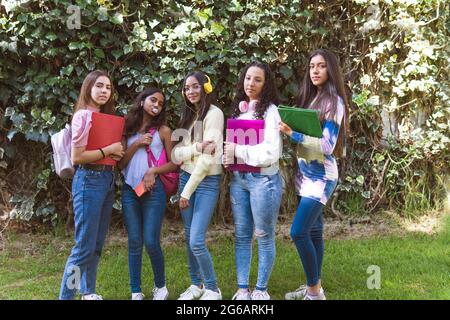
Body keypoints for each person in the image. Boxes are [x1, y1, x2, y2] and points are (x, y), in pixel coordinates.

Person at [279, 48, 349, 300]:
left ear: (331, 70)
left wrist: (291, 133)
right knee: (314, 232)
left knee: (298, 232)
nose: (315, 71)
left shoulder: (334, 102)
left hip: (321, 178)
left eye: (321, 66)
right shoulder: (313, 98)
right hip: (304, 176)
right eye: (311, 67)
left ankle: (314, 293)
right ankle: (314, 286)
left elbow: (328, 146)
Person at [59, 70, 124, 300]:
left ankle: (88, 292)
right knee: (83, 248)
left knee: (96, 244)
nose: (104, 91)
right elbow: (77, 157)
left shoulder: (106, 118)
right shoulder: (82, 117)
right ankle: (67, 296)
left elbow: (109, 152)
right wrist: (109, 150)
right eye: (99, 86)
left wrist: (116, 154)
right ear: (88, 88)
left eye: (108, 87)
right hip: (88, 181)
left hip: (107, 179)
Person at [223, 61, 283, 300]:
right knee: (242, 235)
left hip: (263, 181)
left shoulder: (271, 112)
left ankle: (260, 290)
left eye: (257, 79)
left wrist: (237, 151)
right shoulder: (241, 110)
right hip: (240, 181)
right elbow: (233, 145)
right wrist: (228, 157)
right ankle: (242, 288)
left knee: (264, 235)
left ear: (266, 84)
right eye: (248, 78)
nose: (251, 83)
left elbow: (270, 154)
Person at [118, 87, 177, 300]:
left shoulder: (163, 131)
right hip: (130, 190)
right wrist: (136, 144)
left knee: (151, 241)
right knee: (134, 241)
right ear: (142, 100)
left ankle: (160, 287)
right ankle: (136, 291)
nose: (157, 105)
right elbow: (120, 163)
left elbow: (174, 164)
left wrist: (153, 171)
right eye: (153, 100)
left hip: (154, 191)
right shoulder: (127, 127)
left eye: (161, 103)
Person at [172, 71, 224, 300]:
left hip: (204, 183)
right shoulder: (189, 115)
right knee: (188, 236)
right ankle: (196, 284)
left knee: (196, 239)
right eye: (186, 88)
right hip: (185, 177)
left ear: (206, 88)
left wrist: (186, 192)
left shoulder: (214, 114)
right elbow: (175, 155)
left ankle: (213, 288)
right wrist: (195, 147)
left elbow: (207, 160)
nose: (190, 91)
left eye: (195, 86)